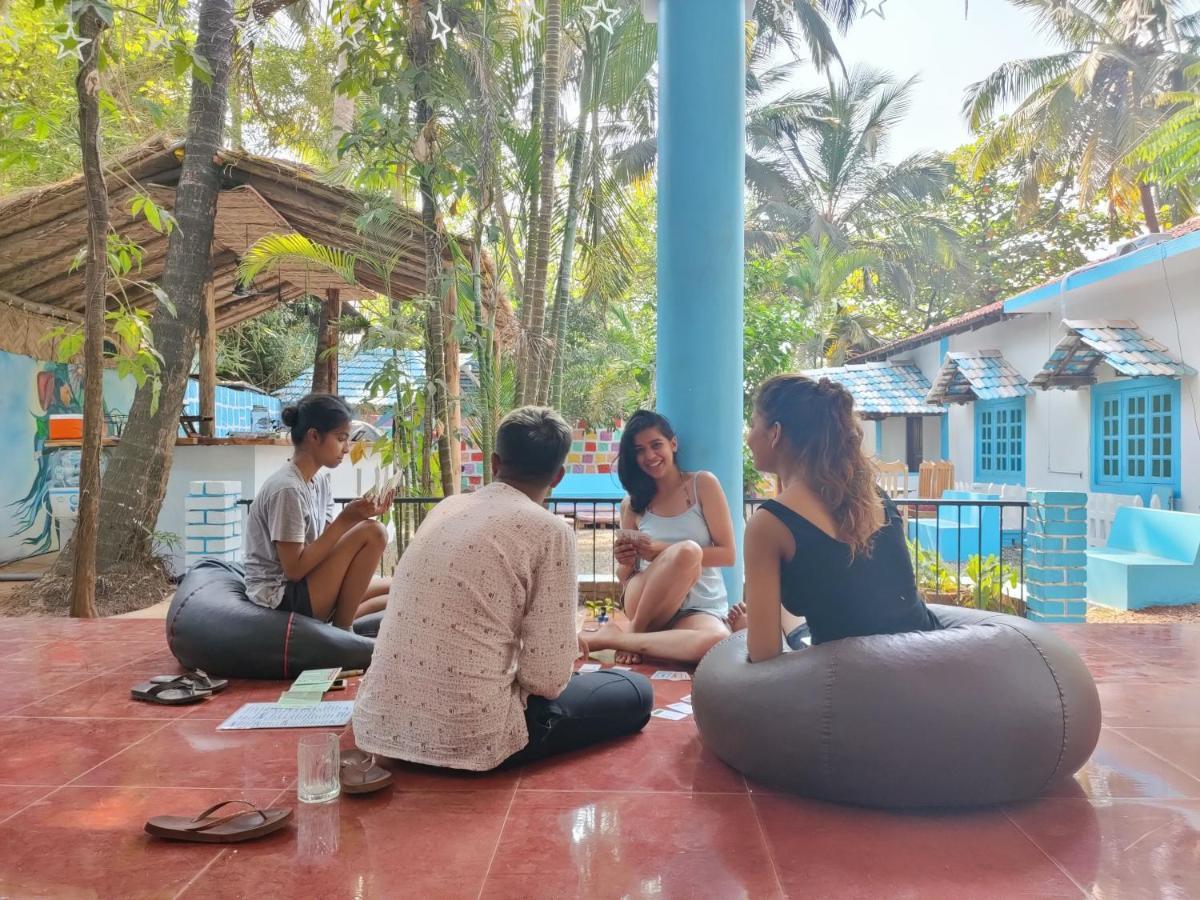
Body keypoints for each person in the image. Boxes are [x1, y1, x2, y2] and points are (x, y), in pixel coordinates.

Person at [352, 406, 653, 772]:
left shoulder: (448, 507)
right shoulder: (549, 531)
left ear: (494, 463)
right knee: (635, 692)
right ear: (558, 476)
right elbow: (545, 680)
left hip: (379, 724)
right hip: (471, 735)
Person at [743, 374, 941, 663]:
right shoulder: (873, 495)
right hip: (927, 659)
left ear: (775, 433)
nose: (748, 438)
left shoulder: (769, 523)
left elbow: (763, 655)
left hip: (852, 683)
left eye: (752, 425)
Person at [584, 410, 741, 666]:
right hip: (646, 601)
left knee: (718, 642)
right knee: (688, 551)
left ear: (673, 444)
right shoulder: (632, 504)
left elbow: (728, 554)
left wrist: (659, 549)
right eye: (639, 450)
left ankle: (619, 639)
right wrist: (624, 559)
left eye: (656, 445)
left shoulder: (702, 484)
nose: (649, 456)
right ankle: (639, 631)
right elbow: (625, 576)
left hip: (699, 605)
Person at [243, 393, 392, 628]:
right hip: (281, 596)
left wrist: (358, 516)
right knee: (375, 533)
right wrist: (347, 519)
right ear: (314, 436)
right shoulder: (287, 489)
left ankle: (340, 622)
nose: (346, 448)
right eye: (341, 438)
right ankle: (343, 634)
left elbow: (326, 544)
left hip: (308, 582)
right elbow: (293, 570)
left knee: (397, 587)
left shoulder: (320, 481)